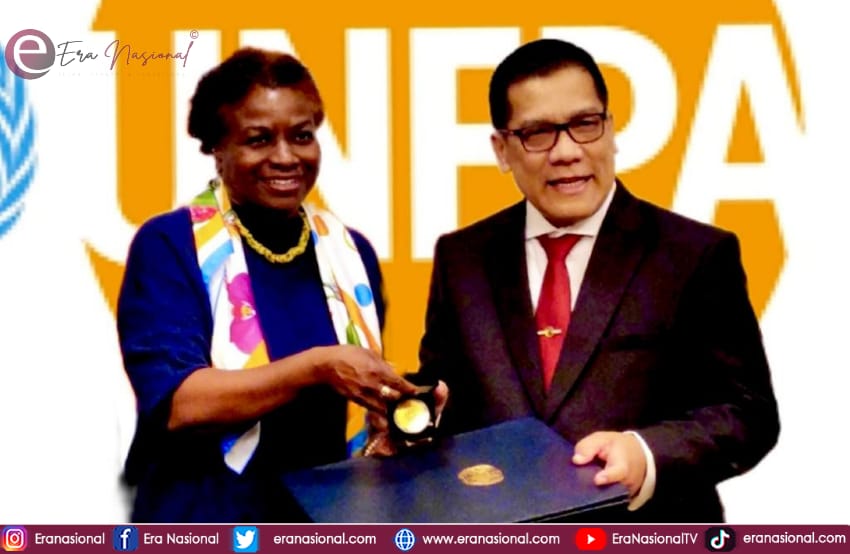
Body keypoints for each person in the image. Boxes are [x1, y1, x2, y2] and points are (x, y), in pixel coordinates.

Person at [415, 38, 779, 522]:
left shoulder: (693, 255)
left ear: (610, 129)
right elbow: (443, 398)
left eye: (585, 124)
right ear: (502, 150)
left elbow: (748, 412)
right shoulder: (462, 259)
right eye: (538, 133)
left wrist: (646, 453)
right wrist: (411, 421)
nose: (567, 152)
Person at [116, 47, 419, 522]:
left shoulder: (348, 252)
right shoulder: (170, 244)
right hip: (203, 519)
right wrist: (317, 367)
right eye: (259, 140)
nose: (285, 157)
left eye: (302, 136)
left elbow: (352, 400)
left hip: (321, 518)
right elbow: (180, 403)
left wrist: (405, 405)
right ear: (217, 149)